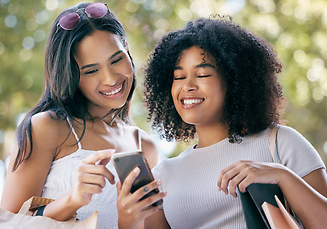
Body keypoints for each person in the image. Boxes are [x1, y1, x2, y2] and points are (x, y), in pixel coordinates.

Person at [131, 17, 327, 228]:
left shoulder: (281, 142)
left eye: (202, 74)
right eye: (178, 77)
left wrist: (283, 176)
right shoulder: (163, 175)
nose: (187, 86)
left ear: (233, 80)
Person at [0, 2, 165, 229]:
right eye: (91, 70)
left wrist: (128, 222)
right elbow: (9, 222)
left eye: (116, 59)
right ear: (71, 75)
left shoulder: (144, 145)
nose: (110, 79)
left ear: (127, 48)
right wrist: (73, 200)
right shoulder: (46, 128)